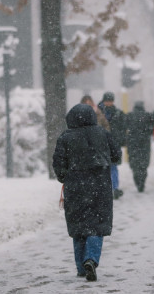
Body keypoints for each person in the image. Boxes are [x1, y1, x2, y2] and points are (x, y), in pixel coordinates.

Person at [52, 104, 121, 282]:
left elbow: (58, 163)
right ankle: (91, 259)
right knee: (97, 225)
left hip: (75, 187)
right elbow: (116, 155)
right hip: (100, 186)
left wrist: (64, 177)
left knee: (79, 227)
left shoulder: (65, 137)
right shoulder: (102, 134)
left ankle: (80, 267)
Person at [98, 92, 126, 199]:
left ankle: (114, 188)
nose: (109, 103)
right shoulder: (98, 112)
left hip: (113, 143)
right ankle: (107, 188)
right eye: (107, 101)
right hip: (102, 143)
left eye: (110, 101)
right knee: (104, 167)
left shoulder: (117, 113)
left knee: (113, 166)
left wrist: (119, 140)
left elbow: (122, 128)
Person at [125, 101, 154, 192]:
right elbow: (152, 128)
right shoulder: (148, 115)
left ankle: (137, 181)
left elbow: (125, 127)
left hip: (132, 143)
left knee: (135, 164)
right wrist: (147, 133)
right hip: (144, 143)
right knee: (144, 164)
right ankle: (142, 182)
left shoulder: (129, 115)